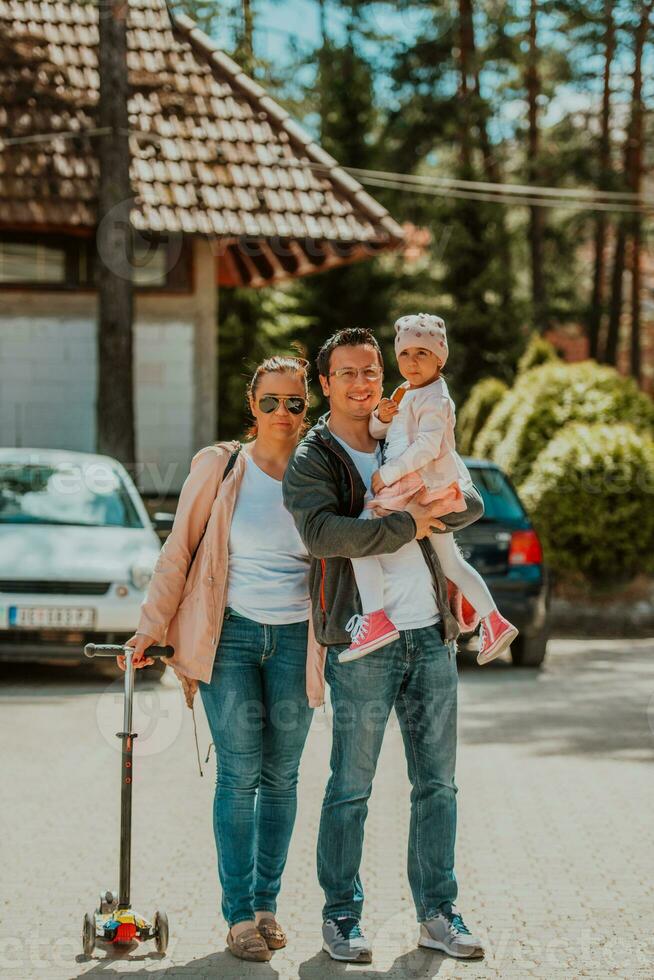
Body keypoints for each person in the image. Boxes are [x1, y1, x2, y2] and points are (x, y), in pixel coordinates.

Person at [283, 328, 486, 963]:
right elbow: (321, 534)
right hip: (363, 639)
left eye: (371, 370)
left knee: (438, 784)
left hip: (430, 635)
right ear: (326, 383)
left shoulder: (409, 424)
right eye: (347, 372)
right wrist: (407, 522)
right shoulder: (314, 456)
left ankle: (437, 912)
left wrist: (440, 508)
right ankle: (341, 916)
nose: (362, 382)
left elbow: (471, 498)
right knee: (351, 784)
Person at [121, 356, 324, 963]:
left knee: (282, 776)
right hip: (228, 637)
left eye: (294, 403)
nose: (282, 414)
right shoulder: (220, 466)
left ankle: (267, 906)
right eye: (271, 402)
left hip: (297, 639)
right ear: (251, 406)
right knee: (239, 774)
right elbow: (177, 551)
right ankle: (237, 915)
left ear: (305, 409)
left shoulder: (319, 470)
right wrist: (150, 627)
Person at [340, 312, 518, 665]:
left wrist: (388, 474)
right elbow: (383, 435)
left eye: (421, 353)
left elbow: (427, 446)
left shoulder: (436, 398)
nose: (411, 361)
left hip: (420, 485)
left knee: (360, 534)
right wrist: (382, 417)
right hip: (420, 487)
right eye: (404, 353)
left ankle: (375, 618)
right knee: (450, 561)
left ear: (440, 357)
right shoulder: (407, 391)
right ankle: (494, 621)